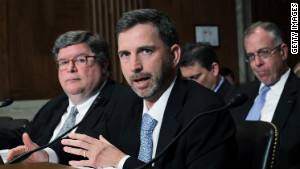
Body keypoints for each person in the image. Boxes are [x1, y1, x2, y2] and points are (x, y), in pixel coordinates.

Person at [60, 9, 237, 169]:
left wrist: (121, 162)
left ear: (174, 55)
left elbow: (114, 159)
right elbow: (85, 144)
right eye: (126, 55)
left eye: (145, 51)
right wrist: (47, 155)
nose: (134, 66)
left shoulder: (205, 111)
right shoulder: (125, 102)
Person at [5, 30, 140, 164]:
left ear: (104, 65)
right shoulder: (55, 105)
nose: (70, 68)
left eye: (80, 60)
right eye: (63, 62)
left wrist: (48, 155)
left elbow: (94, 144)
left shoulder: (126, 101)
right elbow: (24, 136)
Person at [230, 21, 300, 169]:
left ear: (283, 52)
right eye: (251, 56)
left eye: (264, 53)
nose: (257, 63)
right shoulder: (240, 94)